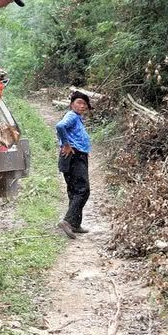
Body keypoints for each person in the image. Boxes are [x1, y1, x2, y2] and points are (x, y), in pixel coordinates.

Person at [55, 91, 92, 238]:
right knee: (83, 190)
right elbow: (60, 126)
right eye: (79, 103)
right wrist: (66, 144)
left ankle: (75, 224)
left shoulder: (77, 118)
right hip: (74, 156)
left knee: (74, 190)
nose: (82, 106)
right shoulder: (71, 116)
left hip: (74, 155)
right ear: (72, 105)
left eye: (84, 104)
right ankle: (68, 221)